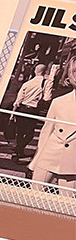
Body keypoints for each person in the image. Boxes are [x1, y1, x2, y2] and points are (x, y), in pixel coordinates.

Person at [29, 51, 76, 194]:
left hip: (72, 161)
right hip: (49, 156)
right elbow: (46, 132)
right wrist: (36, 160)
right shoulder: (58, 102)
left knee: (67, 202)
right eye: (74, 71)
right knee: (34, 195)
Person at [8, 64, 54, 163]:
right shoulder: (46, 82)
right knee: (30, 134)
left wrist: (12, 114)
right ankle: (19, 149)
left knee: (20, 132)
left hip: (22, 109)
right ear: (45, 71)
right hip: (33, 110)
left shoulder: (27, 83)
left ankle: (18, 151)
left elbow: (18, 100)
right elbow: (47, 98)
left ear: (35, 71)